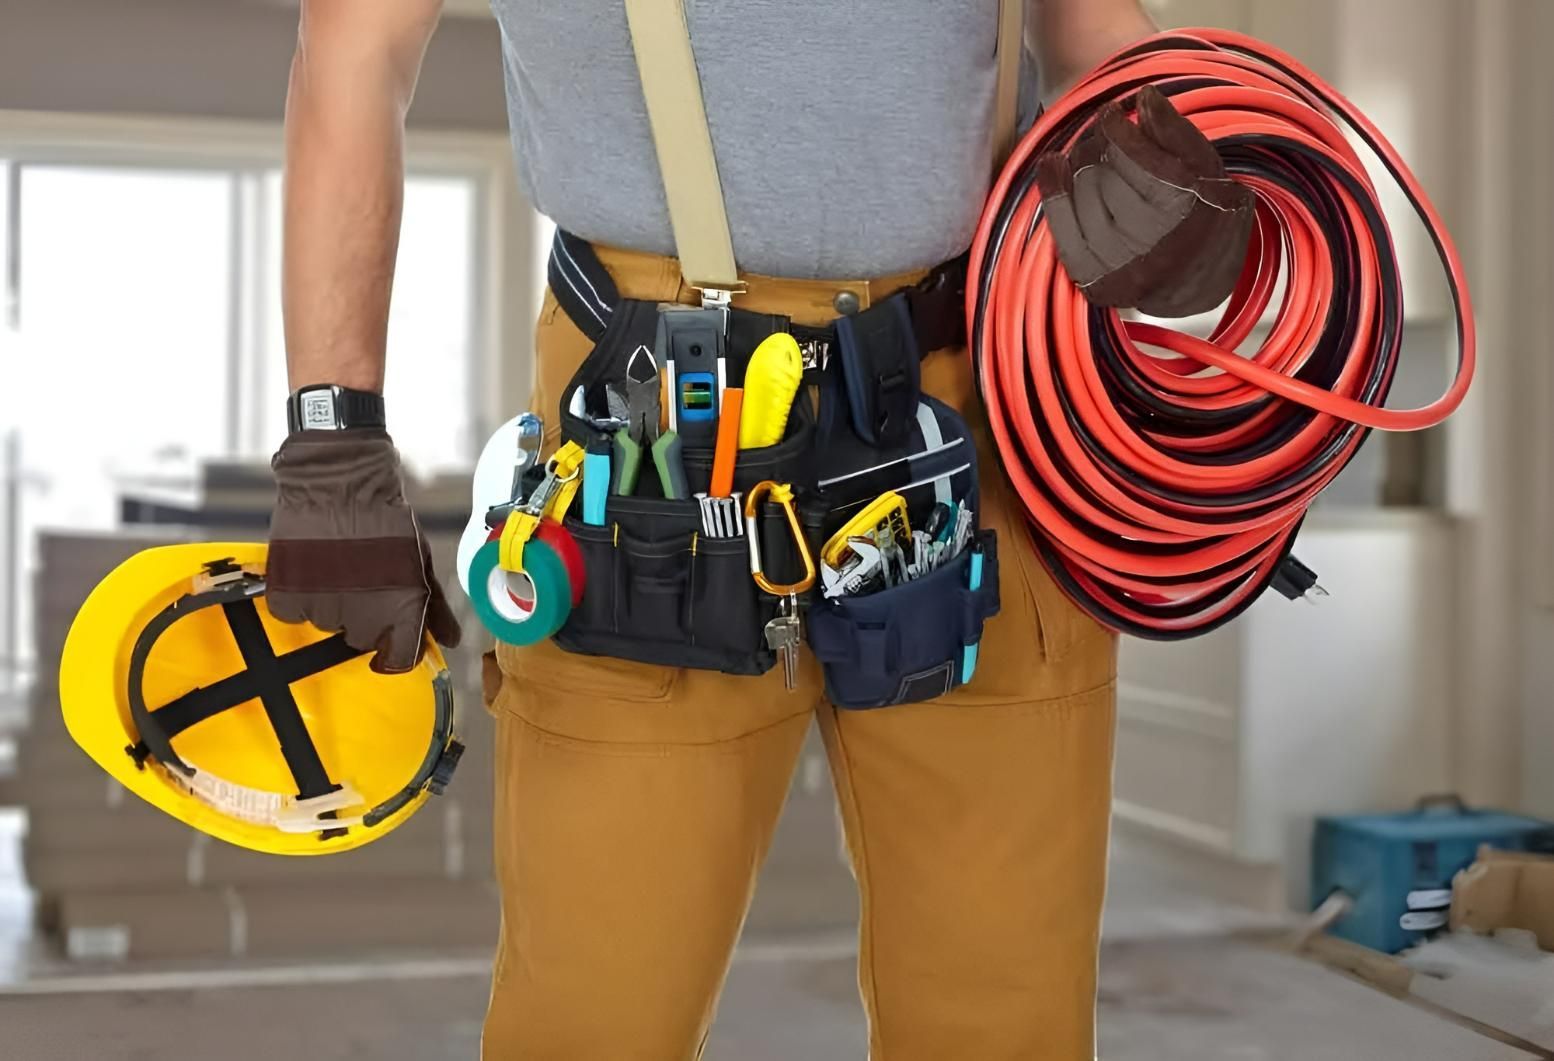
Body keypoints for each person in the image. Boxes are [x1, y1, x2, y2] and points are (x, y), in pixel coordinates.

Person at [269, 2, 1249, 1057]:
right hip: (652, 406)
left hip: (982, 393)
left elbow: (1086, 30)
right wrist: (335, 430)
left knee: (1002, 1004)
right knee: (599, 1010)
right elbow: (354, 49)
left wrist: (1187, 178)